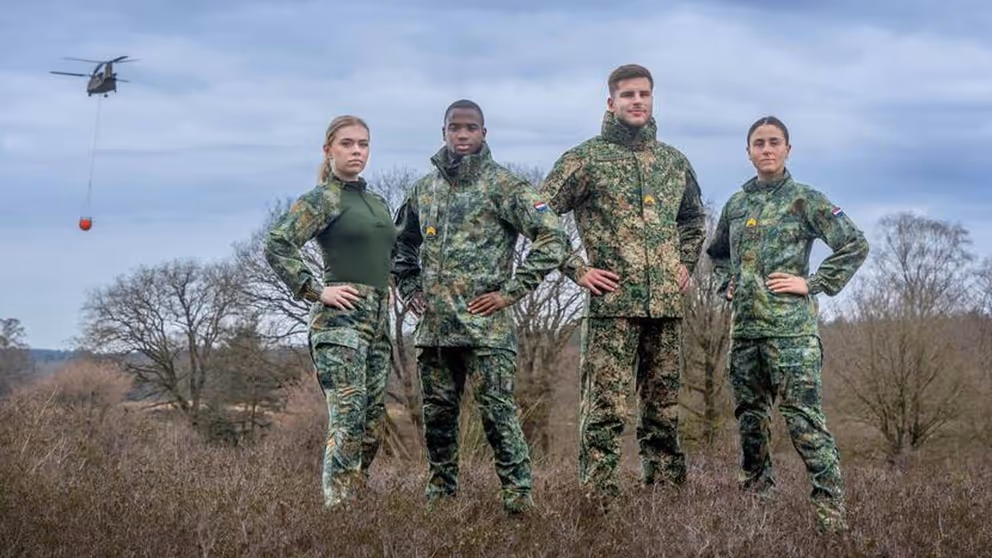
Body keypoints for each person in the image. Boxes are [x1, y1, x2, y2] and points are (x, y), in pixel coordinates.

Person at [539, 64, 706, 501]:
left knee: (664, 414)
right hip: (613, 308)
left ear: (653, 100)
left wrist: (685, 261)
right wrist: (577, 268)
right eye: (628, 94)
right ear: (611, 102)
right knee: (606, 411)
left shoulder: (673, 162)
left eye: (644, 94)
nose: (637, 101)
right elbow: (536, 215)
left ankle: (668, 504)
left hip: (666, 309)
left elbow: (692, 218)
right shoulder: (585, 159)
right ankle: (598, 506)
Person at [391, 99, 568, 514]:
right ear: (444, 133)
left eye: (471, 128)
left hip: (486, 330)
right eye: (456, 128)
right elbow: (401, 244)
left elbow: (553, 237)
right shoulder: (424, 189)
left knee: (498, 417)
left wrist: (511, 291)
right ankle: (440, 500)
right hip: (435, 331)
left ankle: (518, 500)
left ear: (484, 133)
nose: (463, 135)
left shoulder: (504, 186)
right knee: (437, 421)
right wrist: (409, 285)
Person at [705, 115, 869, 533]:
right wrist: (727, 283)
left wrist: (813, 283)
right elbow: (717, 252)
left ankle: (831, 520)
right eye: (758, 143)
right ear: (748, 152)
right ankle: (756, 516)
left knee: (805, 424)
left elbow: (854, 244)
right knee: (751, 425)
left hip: (791, 336)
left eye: (774, 142)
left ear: (788, 149)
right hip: (745, 336)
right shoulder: (737, 204)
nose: (766, 149)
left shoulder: (805, 200)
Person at [264, 115, 395, 509]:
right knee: (349, 419)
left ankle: (355, 503)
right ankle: (338, 515)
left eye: (364, 144)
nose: (357, 151)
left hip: (378, 325)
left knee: (372, 427)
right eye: (347, 144)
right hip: (340, 326)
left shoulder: (377, 202)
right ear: (328, 150)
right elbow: (278, 243)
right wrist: (315, 290)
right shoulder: (323, 199)